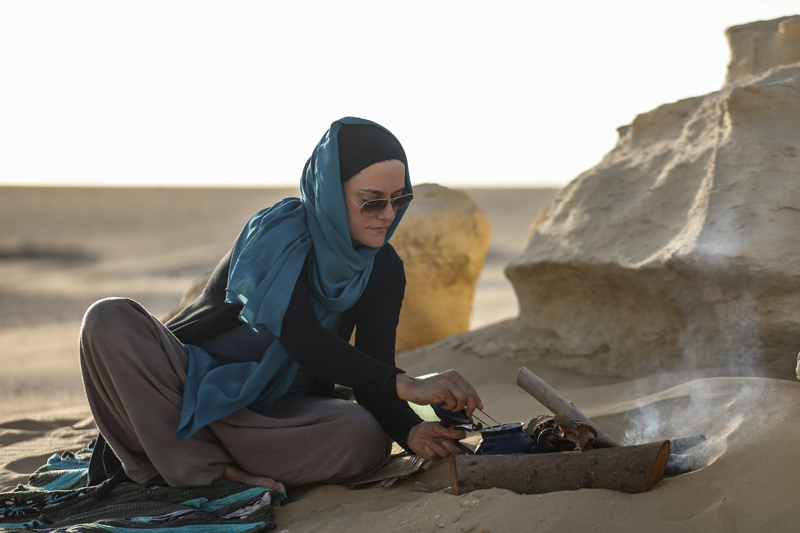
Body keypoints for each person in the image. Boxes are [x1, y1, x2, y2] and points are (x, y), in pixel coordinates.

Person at [79, 117, 482, 497]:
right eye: (371, 202)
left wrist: (410, 430)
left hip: (276, 413)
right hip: (189, 389)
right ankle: (216, 471)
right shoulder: (277, 237)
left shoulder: (383, 267)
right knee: (107, 319)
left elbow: (371, 374)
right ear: (329, 191)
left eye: (399, 199)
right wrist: (408, 384)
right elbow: (304, 340)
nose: (389, 215)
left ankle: (188, 458)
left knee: (364, 434)